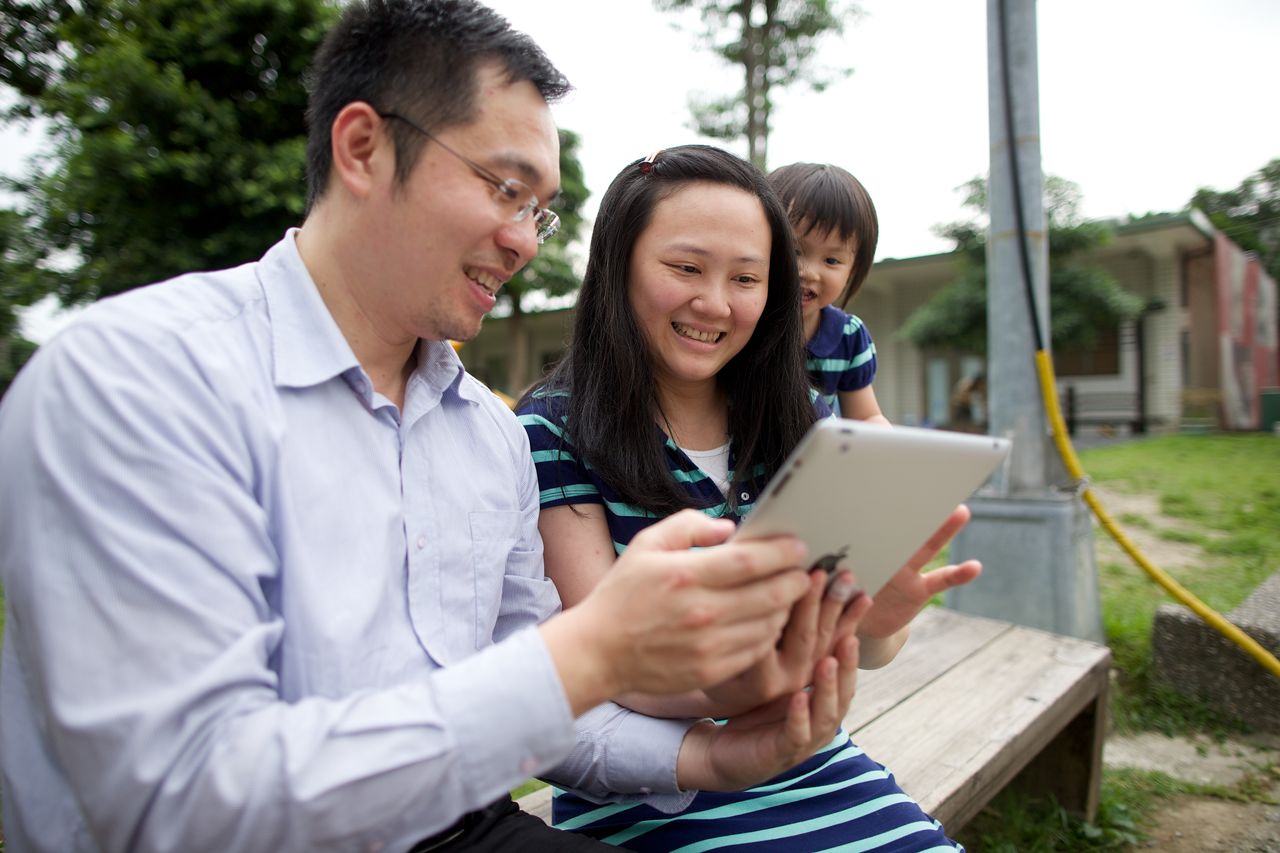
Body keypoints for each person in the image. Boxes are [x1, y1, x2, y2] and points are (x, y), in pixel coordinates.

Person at [0, 4, 860, 851]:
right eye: (506, 188)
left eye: (541, 209)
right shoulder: (138, 378)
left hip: (461, 825)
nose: (525, 239)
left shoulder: (488, 434)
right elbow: (181, 801)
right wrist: (591, 648)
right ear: (364, 148)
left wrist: (708, 753)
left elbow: (533, 695)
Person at [517, 145, 982, 851]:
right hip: (646, 787)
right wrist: (777, 662)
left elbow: (876, 650)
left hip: (808, 756)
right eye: (685, 268)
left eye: (747, 278)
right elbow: (612, 661)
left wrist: (872, 617)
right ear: (616, 265)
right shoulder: (554, 428)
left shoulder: (806, 424)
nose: (715, 303)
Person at [768, 162, 892, 424]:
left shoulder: (849, 337)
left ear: (853, 270)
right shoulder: (746, 324)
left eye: (832, 261)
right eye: (795, 251)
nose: (809, 272)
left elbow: (867, 416)